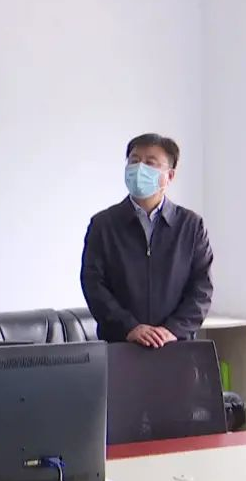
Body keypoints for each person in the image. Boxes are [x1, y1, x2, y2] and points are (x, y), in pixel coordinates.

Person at [81, 133, 213, 347]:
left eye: (150, 163)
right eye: (134, 161)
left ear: (169, 176)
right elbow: (93, 284)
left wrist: (172, 330)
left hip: (175, 345)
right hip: (120, 344)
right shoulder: (103, 225)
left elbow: (202, 287)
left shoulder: (190, 225)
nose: (139, 168)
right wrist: (129, 327)